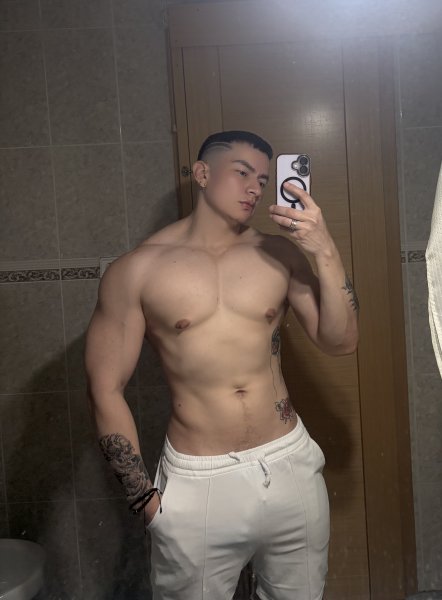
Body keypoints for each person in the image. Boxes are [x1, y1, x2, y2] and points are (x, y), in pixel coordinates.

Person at [84, 130, 359, 600]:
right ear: (202, 173)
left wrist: (324, 249)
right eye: (242, 172)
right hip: (199, 480)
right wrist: (145, 499)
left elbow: (342, 341)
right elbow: (104, 387)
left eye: (264, 179)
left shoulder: (280, 253)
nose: (255, 188)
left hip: (288, 464)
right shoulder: (137, 270)